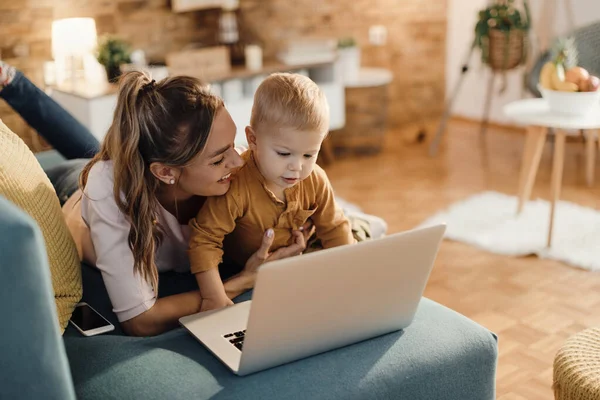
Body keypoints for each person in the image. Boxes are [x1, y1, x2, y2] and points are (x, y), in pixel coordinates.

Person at [0, 63, 386, 337]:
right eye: (219, 158)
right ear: (167, 172)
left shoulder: (230, 170)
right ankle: (15, 82)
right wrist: (239, 282)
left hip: (143, 169)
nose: (238, 161)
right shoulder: (111, 196)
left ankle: (12, 80)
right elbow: (140, 320)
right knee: (89, 159)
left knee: (102, 147)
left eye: (233, 144)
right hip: (77, 200)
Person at [188, 73, 355, 311]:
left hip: (298, 258)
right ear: (252, 139)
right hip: (245, 270)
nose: (297, 166)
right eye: (284, 154)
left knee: (355, 235)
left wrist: (350, 277)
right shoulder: (235, 186)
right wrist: (213, 297)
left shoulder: (315, 178)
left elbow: (334, 228)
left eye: (309, 154)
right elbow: (204, 240)